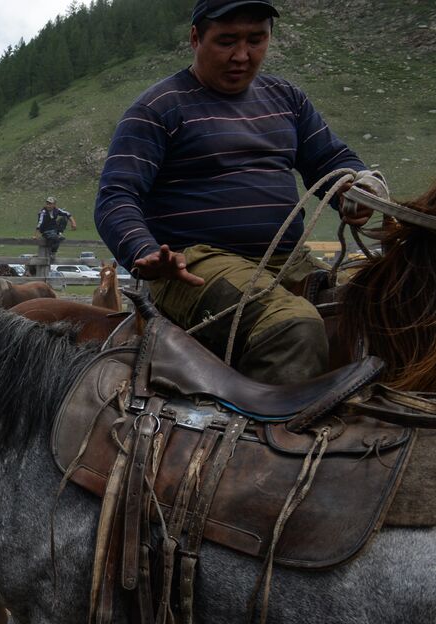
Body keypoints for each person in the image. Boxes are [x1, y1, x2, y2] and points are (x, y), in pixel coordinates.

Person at [95, 0, 385, 385]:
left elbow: (331, 160)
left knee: (382, 309)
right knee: (292, 328)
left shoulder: (286, 98)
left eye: (256, 40)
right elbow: (116, 195)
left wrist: (355, 187)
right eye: (227, 41)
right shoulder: (157, 109)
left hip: (288, 260)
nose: (242, 56)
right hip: (196, 266)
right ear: (196, 37)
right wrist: (143, 252)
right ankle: (265, 442)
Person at [35, 196, 76, 263]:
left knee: (64, 218)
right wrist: (36, 234)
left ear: (54, 204)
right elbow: (40, 222)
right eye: (47, 204)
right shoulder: (43, 212)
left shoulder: (56, 210)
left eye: (50, 204)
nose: (48, 206)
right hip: (46, 230)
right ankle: (52, 252)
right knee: (55, 238)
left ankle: (59, 233)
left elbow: (67, 213)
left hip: (54, 229)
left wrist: (73, 223)